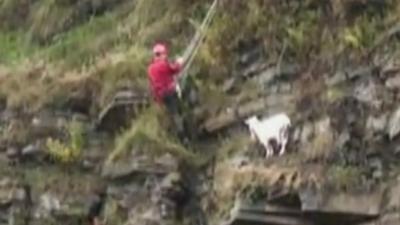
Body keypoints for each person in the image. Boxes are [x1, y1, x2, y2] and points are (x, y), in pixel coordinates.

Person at [147, 43, 188, 142]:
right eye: (164, 54)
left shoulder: (150, 68)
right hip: (170, 92)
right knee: (177, 113)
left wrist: (158, 100)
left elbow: (152, 85)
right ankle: (183, 136)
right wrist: (180, 62)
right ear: (161, 54)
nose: (166, 56)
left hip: (161, 95)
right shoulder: (163, 64)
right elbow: (175, 69)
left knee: (171, 113)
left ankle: (178, 135)